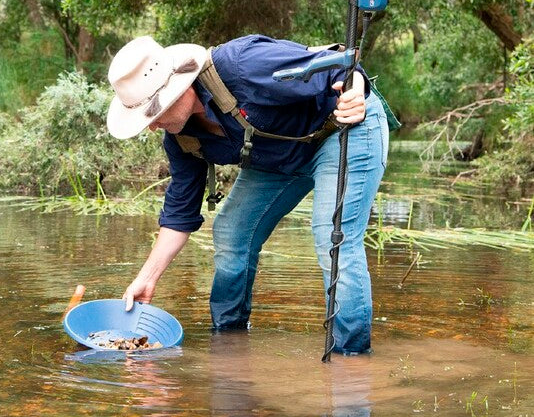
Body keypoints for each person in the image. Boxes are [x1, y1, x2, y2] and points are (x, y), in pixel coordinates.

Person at [106, 34, 388, 355]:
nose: (151, 126)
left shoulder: (241, 65)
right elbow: (179, 216)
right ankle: (228, 342)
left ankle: (350, 358)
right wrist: (147, 278)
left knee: (332, 236)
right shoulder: (182, 140)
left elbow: (339, 64)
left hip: (342, 128)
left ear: (178, 90)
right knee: (232, 230)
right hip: (282, 155)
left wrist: (355, 91)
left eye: (151, 113)